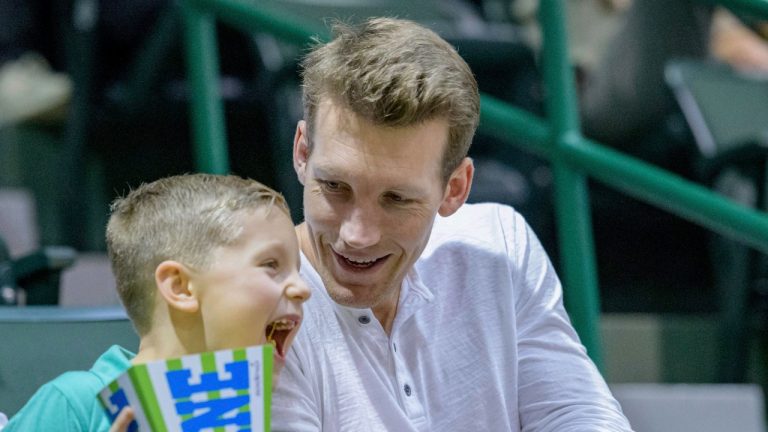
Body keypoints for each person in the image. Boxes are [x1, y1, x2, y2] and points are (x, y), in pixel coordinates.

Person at [272, 17, 632, 431]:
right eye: (335, 186)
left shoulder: (501, 245)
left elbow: (578, 414)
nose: (357, 234)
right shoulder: (243, 306)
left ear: (455, 189)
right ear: (302, 153)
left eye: (397, 199)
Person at [4, 173, 311, 431]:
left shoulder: (269, 417)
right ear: (180, 287)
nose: (302, 288)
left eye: (296, 269)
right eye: (271, 264)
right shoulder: (77, 404)